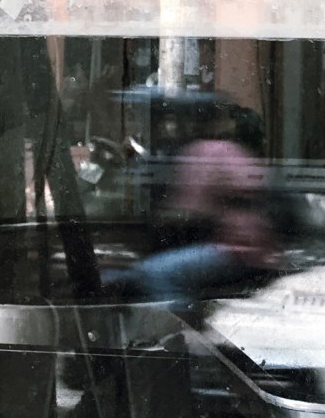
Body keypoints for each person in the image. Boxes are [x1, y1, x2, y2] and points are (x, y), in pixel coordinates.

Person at [114, 106, 281, 308]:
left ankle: (177, 324)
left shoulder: (217, 151)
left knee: (156, 274)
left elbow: (190, 213)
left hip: (237, 252)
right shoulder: (204, 152)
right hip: (229, 247)